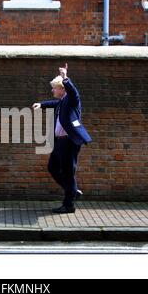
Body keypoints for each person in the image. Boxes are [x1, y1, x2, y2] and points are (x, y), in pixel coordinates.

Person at [32, 64, 92, 214]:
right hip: (60, 142)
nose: (52, 90)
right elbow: (54, 103)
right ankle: (72, 191)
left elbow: (74, 92)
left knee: (67, 172)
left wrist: (65, 77)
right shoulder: (62, 102)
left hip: (69, 141)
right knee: (52, 167)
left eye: (54, 88)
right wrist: (42, 104)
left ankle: (69, 205)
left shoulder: (72, 100)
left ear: (62, 89)